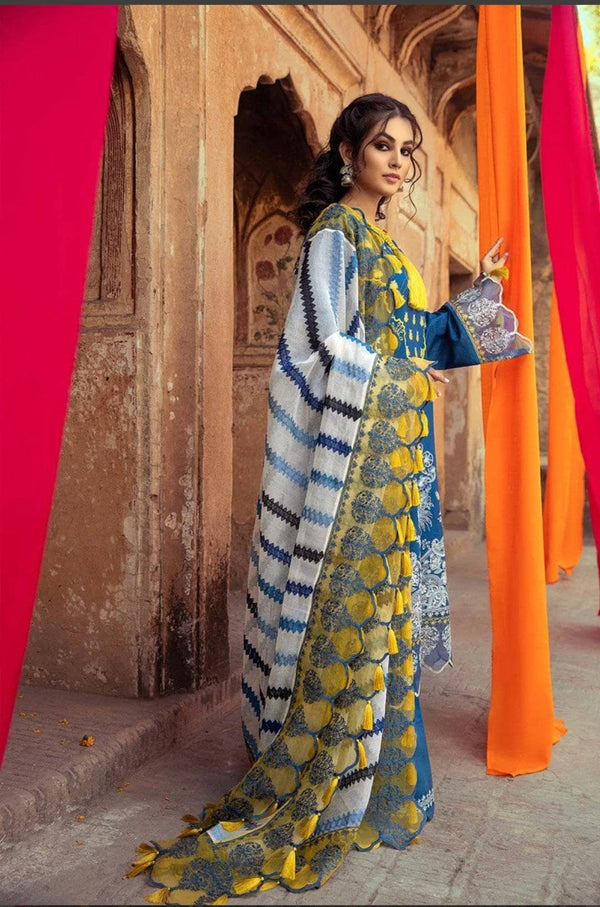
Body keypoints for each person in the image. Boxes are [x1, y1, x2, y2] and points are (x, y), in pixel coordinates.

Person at [127, 93, 531, 905]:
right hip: (351, 469)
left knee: (382, 629)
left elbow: (408, 336)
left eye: (408, 149)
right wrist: (392, 376)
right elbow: (312, 350)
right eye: (383, 144)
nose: (399, 160)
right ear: (348, 153)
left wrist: (476, 296)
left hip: (392, 464)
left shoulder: (382, 243)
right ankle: (320, 786)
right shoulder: (334, 237)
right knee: (343, 625)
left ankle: (375, 790)